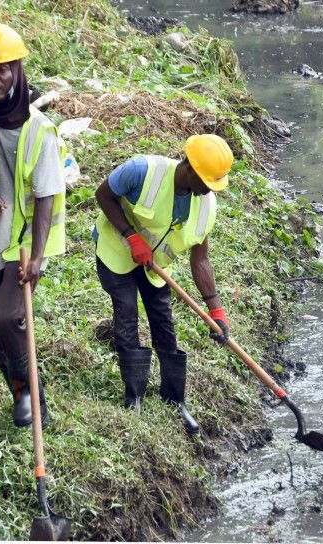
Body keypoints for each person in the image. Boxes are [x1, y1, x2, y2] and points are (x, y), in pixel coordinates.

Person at [0, 23, 66, 427]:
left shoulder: (41, 131)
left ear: (18, 69)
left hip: (22, 243)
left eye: (1, 68)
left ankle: (31, 397)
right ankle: (20, 393)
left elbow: (46, 197)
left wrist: (36, 258)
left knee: (8, 316)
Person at [93, 135, 234, 436]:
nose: (210, 189)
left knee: (163, 322)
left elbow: (201, 260)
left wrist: (216, 310)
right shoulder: (142, 171)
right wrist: (131, 236)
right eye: (207, 181)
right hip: (117, 252)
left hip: (155, 265)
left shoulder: (206, 205)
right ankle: (135, 397)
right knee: (127, 313)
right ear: (191, 169)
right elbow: (103, 195)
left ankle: (175, 399)